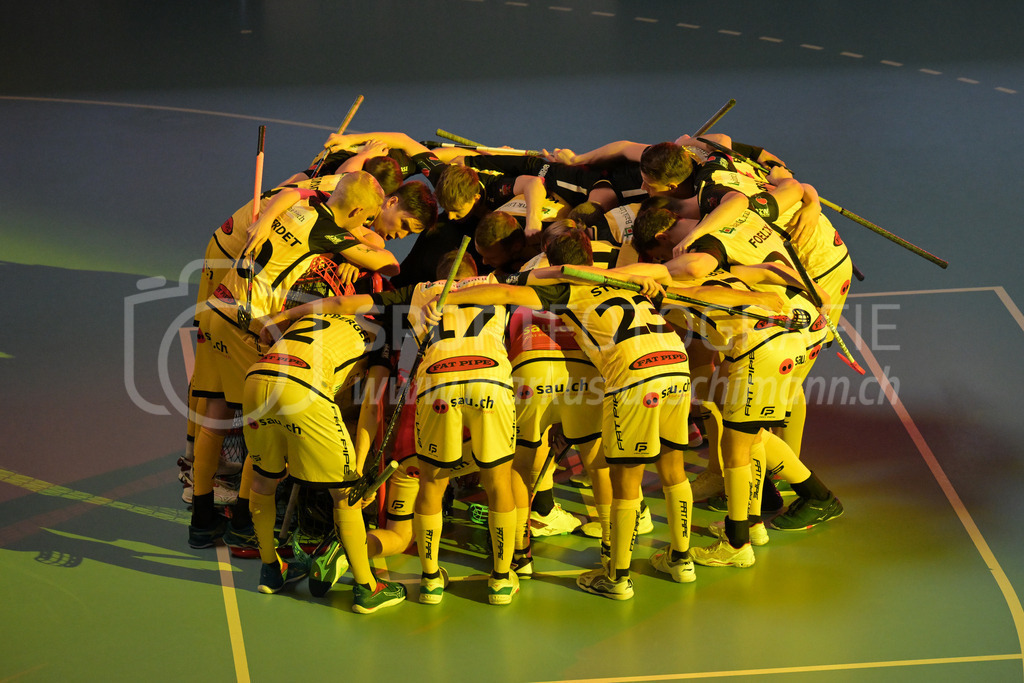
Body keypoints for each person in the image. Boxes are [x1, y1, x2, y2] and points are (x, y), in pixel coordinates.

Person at [435, 226, 700, 599]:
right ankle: (679, 558)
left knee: (531, 464)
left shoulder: (560, 286)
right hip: (675, 362)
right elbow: (671, 270)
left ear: (549, 259)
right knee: (665, 466)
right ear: (591, 254)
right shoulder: (628, 274)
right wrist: (651, 279)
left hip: (625, 371)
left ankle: (597, 572)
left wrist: (452, 293)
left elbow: (506, 292)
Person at [187, 171, 390, 549]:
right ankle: (245, 522)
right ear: (359, 209)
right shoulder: (329, 232)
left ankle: (202, 520)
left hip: (216, 306)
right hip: (244, 322)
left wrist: (265, 219)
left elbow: (294, 188)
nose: (366, 225)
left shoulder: (300, 204)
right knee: (261, 427)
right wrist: (362, 244)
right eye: (366, 218)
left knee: (214, 418)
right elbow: (387, 263)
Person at [242, 287, 407, 613]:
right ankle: (367, 588)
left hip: (256, 379)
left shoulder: (314, 313)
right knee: (345, 494)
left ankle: (271, 570)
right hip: (302, 388)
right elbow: (371, 408)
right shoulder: (383, 333)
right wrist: (358, 468)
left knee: (263, 481)